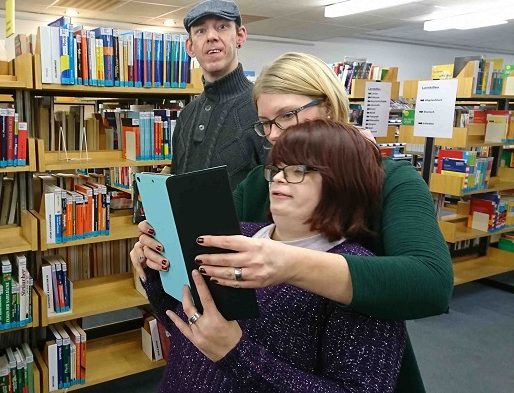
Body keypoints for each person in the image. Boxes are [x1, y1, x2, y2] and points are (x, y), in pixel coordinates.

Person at [134, 52, 453, 393]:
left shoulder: (392, 181)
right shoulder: (262, 180)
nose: (273, 136)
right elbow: (209, 255)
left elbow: (430, 284)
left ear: (329, 106)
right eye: (265, 123)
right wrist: (158, 253)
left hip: (353, 357)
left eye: (286, 116)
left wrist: (288, 263)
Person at [131, 119, 406, 392]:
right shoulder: (236, 234)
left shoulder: (358, 275)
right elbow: (187, 331)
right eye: (276, 168)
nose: (277, 177)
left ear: (345, 181)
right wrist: (154, 271)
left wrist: (236, 353)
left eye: (297, 169)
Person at [170, 0, 265, 190]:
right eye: (200, 31)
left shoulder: (263, 109)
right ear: (190, 47)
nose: (211, 36)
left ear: (240, 36)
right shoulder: (186, 115)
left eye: (222, 27)